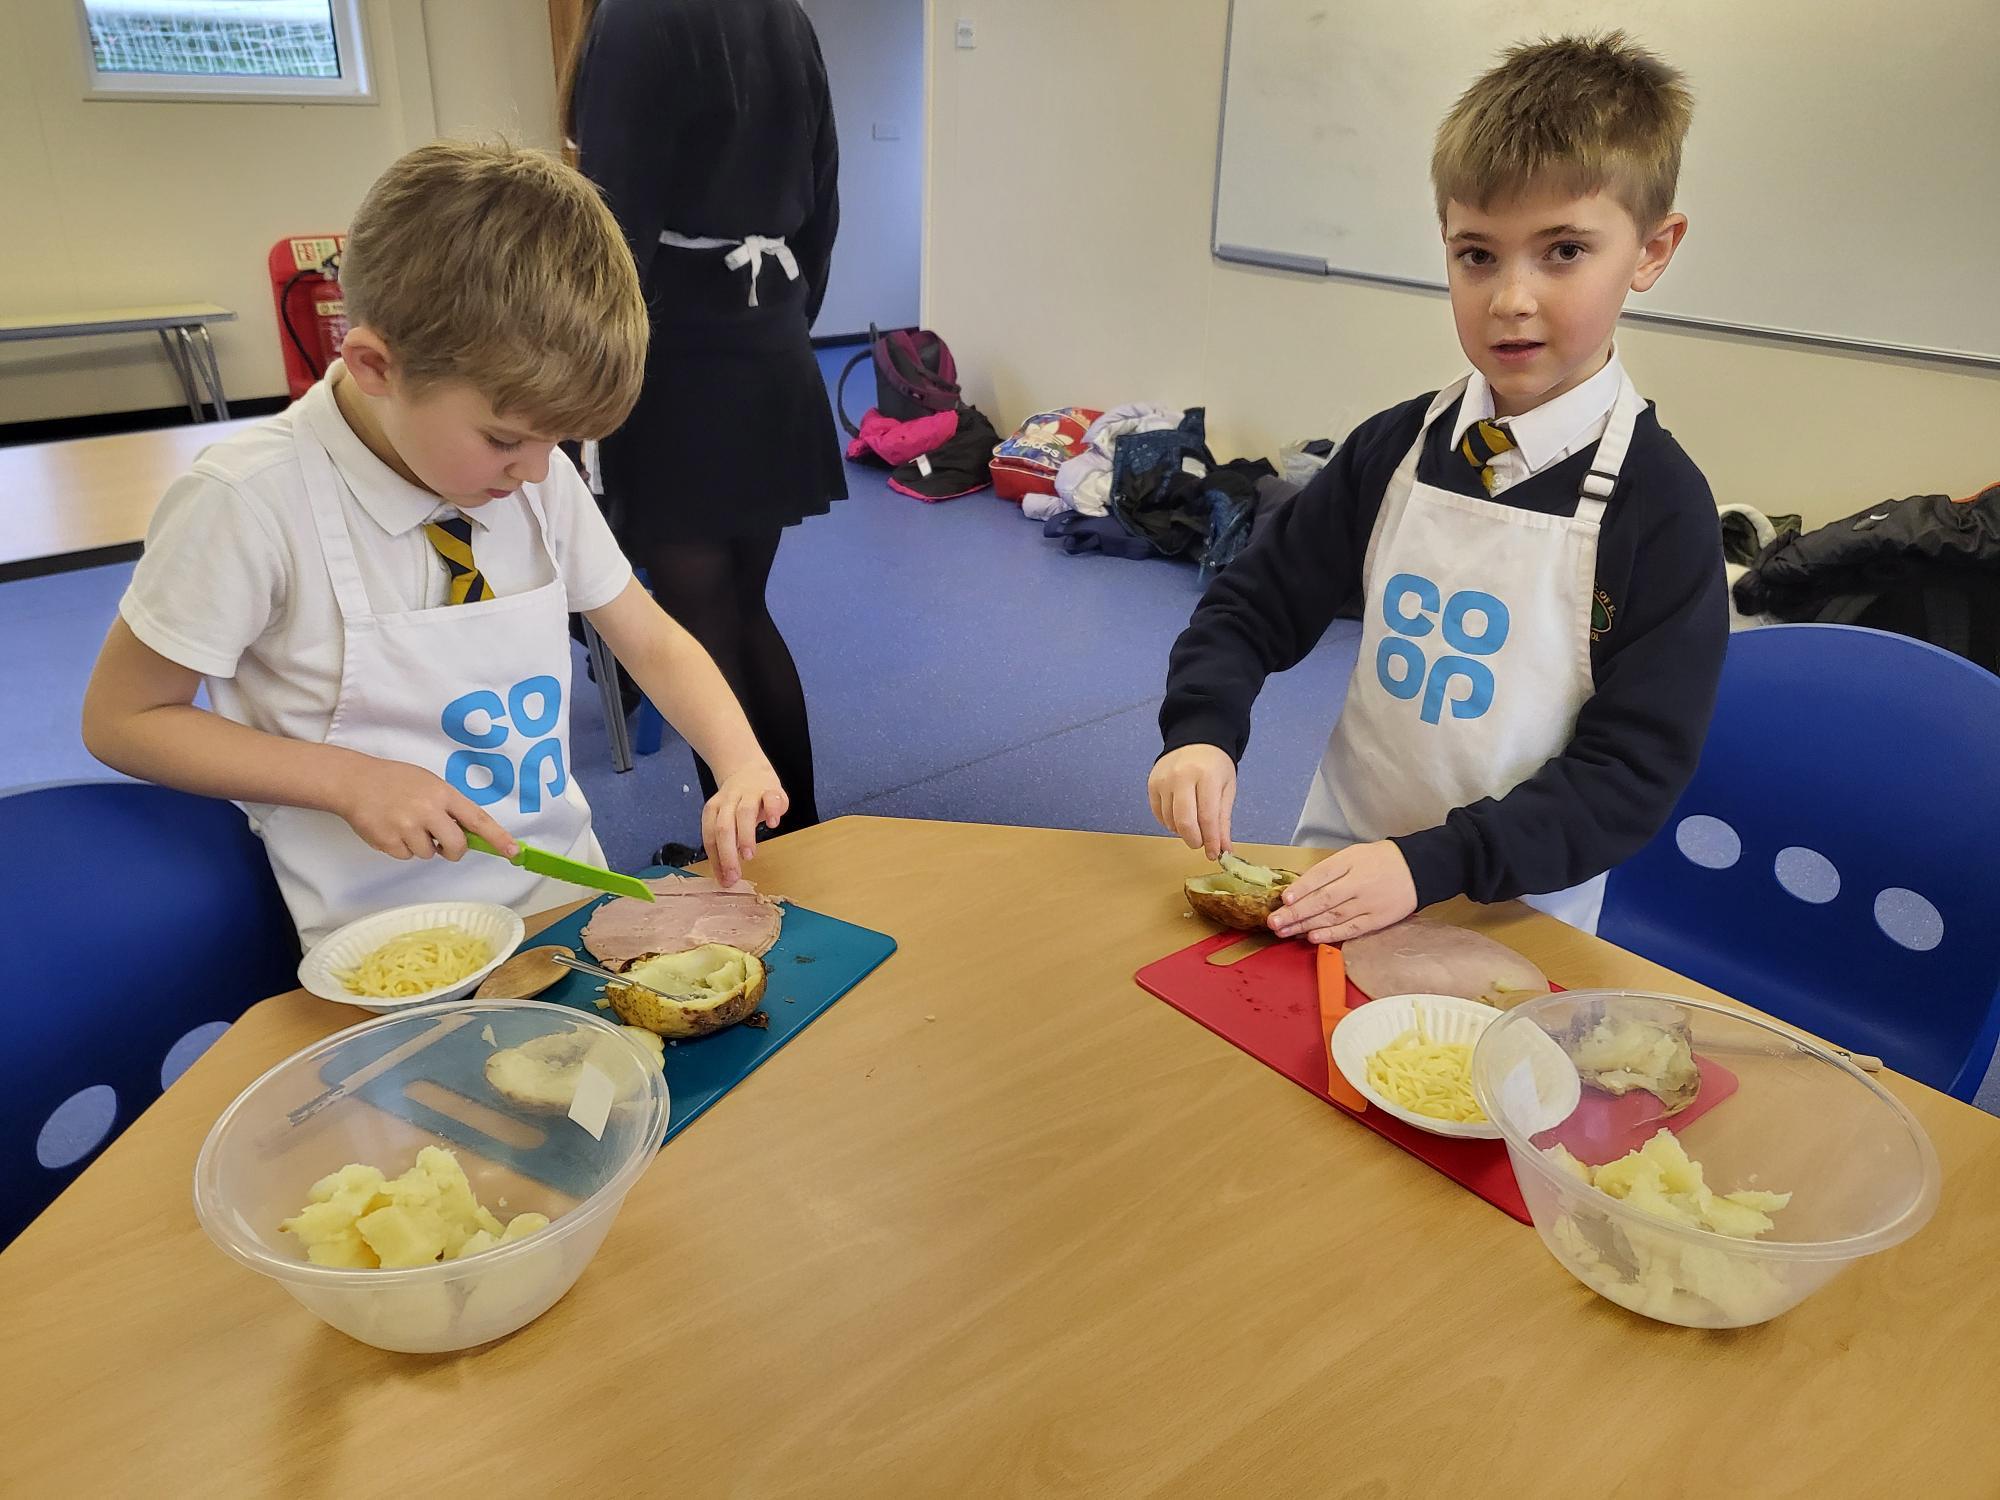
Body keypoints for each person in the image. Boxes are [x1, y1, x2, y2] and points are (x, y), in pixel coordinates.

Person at [81, 141, 787, 946]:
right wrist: (348, 780)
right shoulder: (249, 502)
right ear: (376, 366)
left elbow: (651, 640)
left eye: (561, 442)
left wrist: (738, 760)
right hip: (382, 940)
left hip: (565, 902)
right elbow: (123, 717)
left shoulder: (534, 473)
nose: (537, 471)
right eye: (504, 439)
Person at [1149, 33, 1728, 942]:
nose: (1511, 299)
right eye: (1478, 255)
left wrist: (1432, 865)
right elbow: (1252, 604)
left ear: (1652, 251)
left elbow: (1628, 776)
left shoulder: (1661, 509)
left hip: (1519, 911)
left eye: (1563, 250)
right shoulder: (1395, 448)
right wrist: (1201, 728)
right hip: (1337, 871)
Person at [565, 0, 844, 852]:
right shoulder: (785, 15)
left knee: (699, 619)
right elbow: (825, 206)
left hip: (673, 351)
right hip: (772, 339)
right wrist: (780, 326)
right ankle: (798, 840)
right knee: (743, 607)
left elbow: (610, 228)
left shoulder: (635, 16)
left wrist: (580, 388)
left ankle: (758, 848)